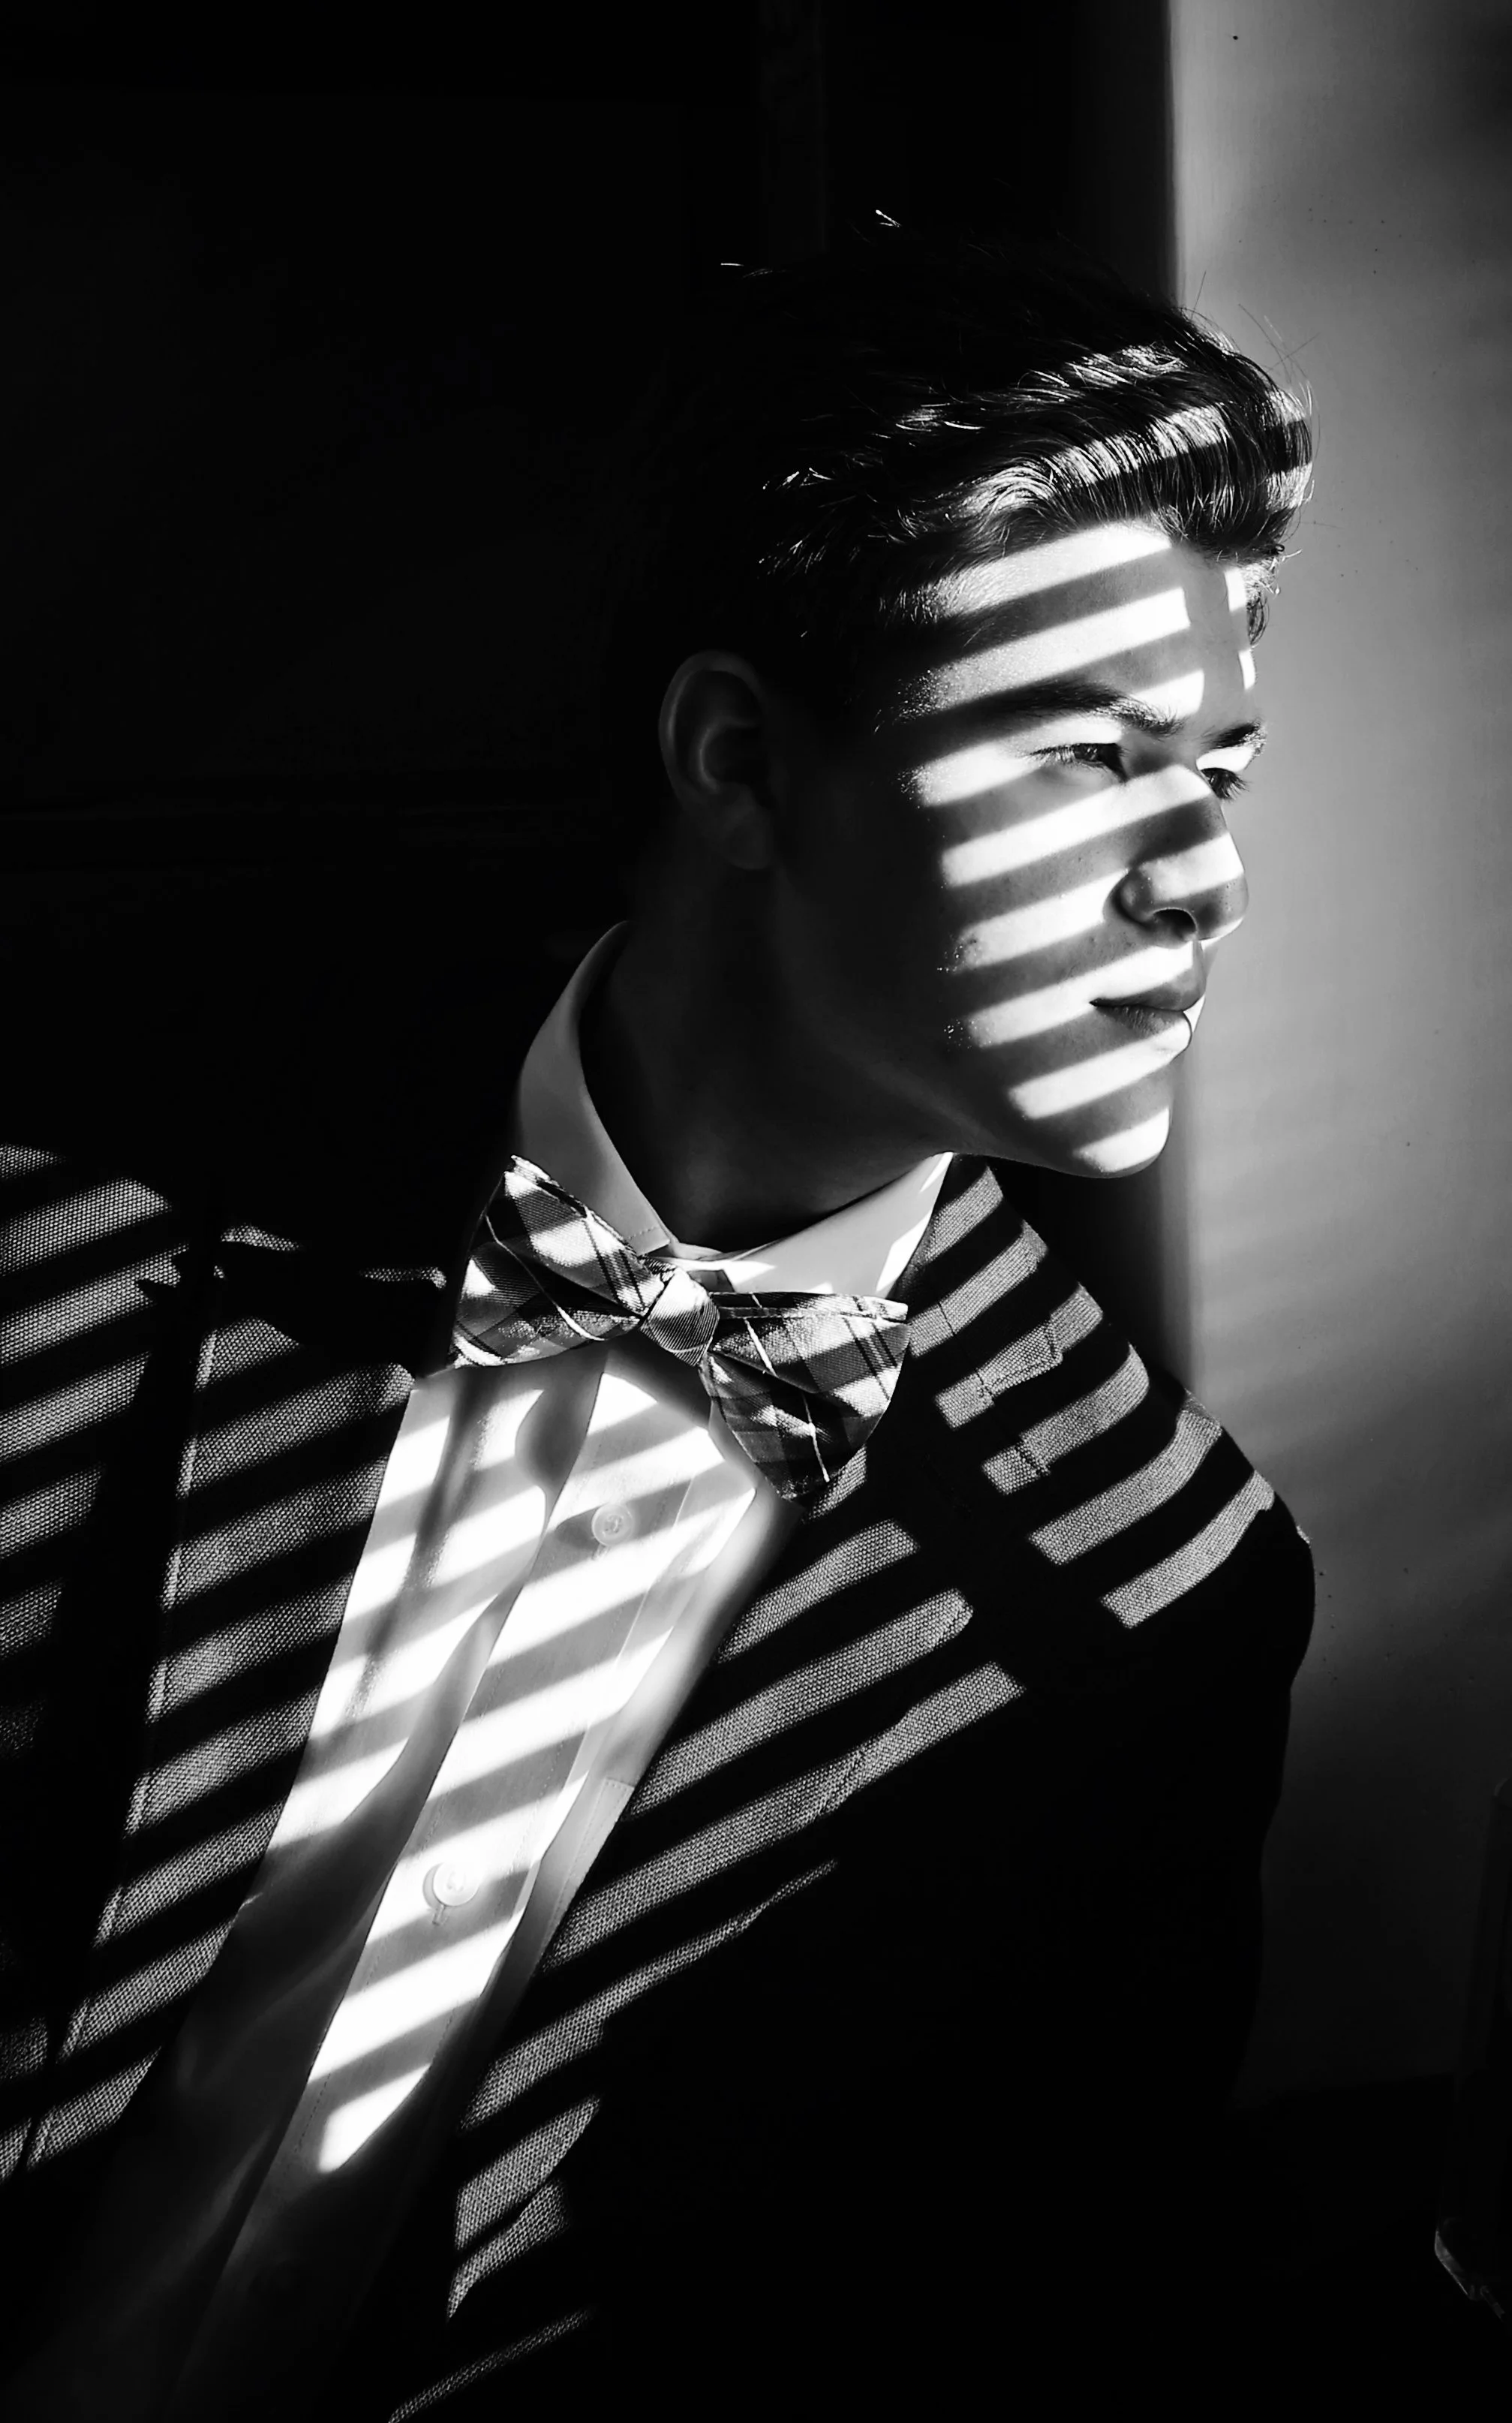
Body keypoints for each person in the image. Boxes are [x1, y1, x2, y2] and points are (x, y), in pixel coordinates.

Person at [0, 222, 1315, 2416]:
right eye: (1093, 757)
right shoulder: (86, 1180)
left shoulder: (1147, 1599)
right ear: (737, 762)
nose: (1206, 874)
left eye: (1219, 771)